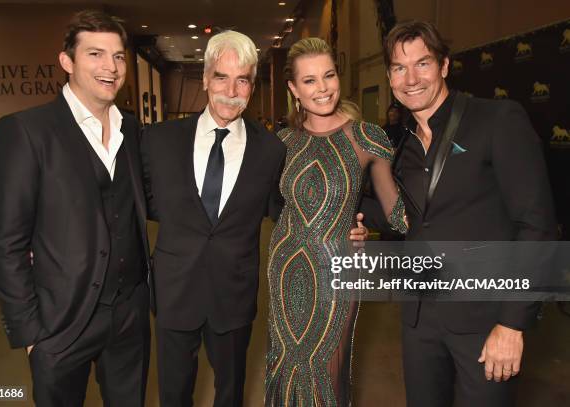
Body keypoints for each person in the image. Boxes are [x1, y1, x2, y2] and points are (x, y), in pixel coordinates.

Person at [141, 31, 366, 407]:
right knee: (173, 393)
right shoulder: (158, 140)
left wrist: (348, 222)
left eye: (242, 79)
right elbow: (139, 202)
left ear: (252, 85)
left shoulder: (271, 150)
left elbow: (292, 207)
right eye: (222, 77)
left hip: (234, 294)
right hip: (174, 292)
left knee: (230, 392)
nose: (231, 90)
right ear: (205, 78)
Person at [382, 20, 557, 407]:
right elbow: (412, 216)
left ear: (444, 66)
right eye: (399, 67)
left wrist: (512, 323)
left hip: (485, 321)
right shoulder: (401, 144)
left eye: (422, 64)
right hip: (419, 321)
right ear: (390, 77)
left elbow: (536, 227)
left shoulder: (496, 120)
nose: (411, 78)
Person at [0, 10, 152, 406]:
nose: (110, 67)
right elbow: (6, 241)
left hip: (129, 314)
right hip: (60, 322)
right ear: (67, 61)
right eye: (95, 54)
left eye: (118, 56)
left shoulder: (133, 130)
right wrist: (31, 334)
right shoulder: (26, 131)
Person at [265, 37, 406, 406]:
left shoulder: (366, 137)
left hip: (337, 268)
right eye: (309, 80)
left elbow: (396, 214)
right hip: (285, 266)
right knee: (285, 364)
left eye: (328, 75)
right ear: (294, 89)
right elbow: (277, 205)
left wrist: (360, 222)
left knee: (327, 369)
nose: (322, 87)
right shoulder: (284, 141)